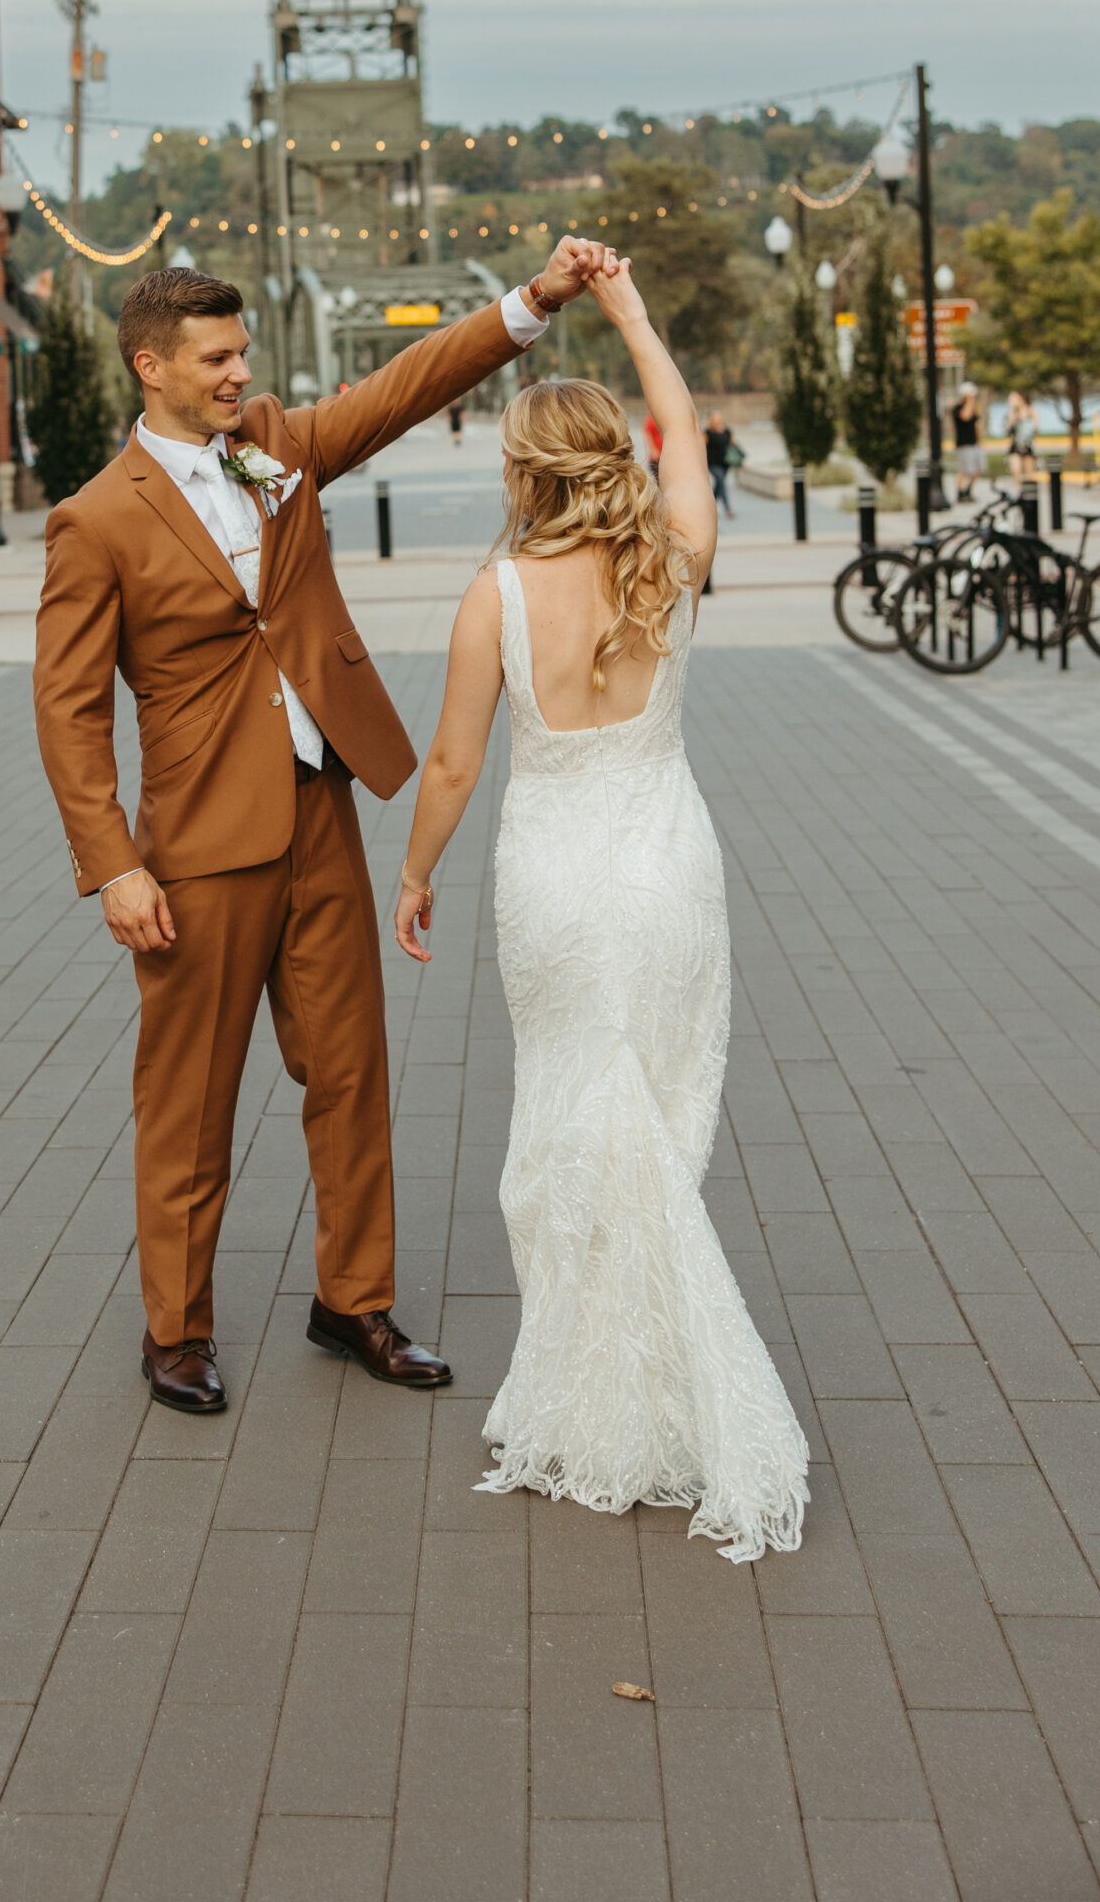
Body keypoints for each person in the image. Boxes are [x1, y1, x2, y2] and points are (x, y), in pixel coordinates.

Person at [34, 244, 613, 1415]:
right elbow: (68, 707)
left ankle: (352, 1301)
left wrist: (532, 301)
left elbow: (402, 386)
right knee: (188, 1099)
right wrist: (112, 867)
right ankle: (175, 1329)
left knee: (349, 1072)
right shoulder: (92, 521)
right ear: (149, 367)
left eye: (241, 353)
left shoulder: (277, 450)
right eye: (213, 359)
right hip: (194, 847)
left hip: (318, 809)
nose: (236, 374)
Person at [393, 257, 809, 1561]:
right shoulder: (672, 560)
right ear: (614, 458)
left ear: (520, 470)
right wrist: (630, 309)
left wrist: (412, 874)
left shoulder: (496, 597)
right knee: (659, 1119)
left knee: (568, 1134)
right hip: (668, 870)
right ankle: (643, 1388)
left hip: (557, 885)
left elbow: (454, 764)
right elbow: (684, 428)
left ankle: (609, 1391)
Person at [951, 383, 984, 501]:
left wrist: (979, 441)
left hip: (974, 443)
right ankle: (960, 493)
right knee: (963, 469)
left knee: (978, 469)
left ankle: (968, 490)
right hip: (963, 444)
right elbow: (966, 416)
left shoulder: (974, 408)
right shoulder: (957, 408)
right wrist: (969, 401)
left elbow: (976, 425)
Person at [703, 410, 735, 517]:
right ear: (711, 420)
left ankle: (710, 507)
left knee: (719, 484)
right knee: (721, 480)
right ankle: (728, 509)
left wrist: (740, 460)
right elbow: (701, 447)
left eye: (718, 418)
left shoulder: (727, 431)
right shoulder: (707, 432)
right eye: (715, 418)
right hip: (712, 463)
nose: (717, 420)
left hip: (725, 463)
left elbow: (733, 446)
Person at [1005, 390, 1038, 478]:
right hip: (1015, 446)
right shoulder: (1012, 412)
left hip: (1028, 445)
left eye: (1012, 399)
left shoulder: (1030, 410)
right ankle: (1020, 490)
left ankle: (1028, 490)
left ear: (1020, 398)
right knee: (1016, 470)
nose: (1010, 401)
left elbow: (1036, 428)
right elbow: (1007, 430)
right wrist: (1012, 420)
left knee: (1030, 474)